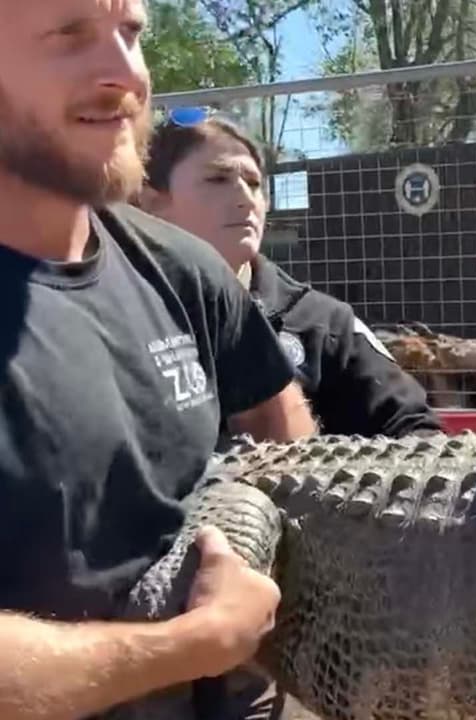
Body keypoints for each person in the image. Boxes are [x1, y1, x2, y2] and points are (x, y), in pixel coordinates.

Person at [0, 2, 318, 718]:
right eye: (70, 34)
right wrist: (196, 643)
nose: (127, 74)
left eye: (131, 34)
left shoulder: (179, 267)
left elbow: (288, 437)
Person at [136, 114, 443, 438]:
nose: (245, 199)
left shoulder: (323, 324)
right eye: (217, 179)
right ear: (152, 203)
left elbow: (418, 434)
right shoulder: (113, 316)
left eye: (254, 184)